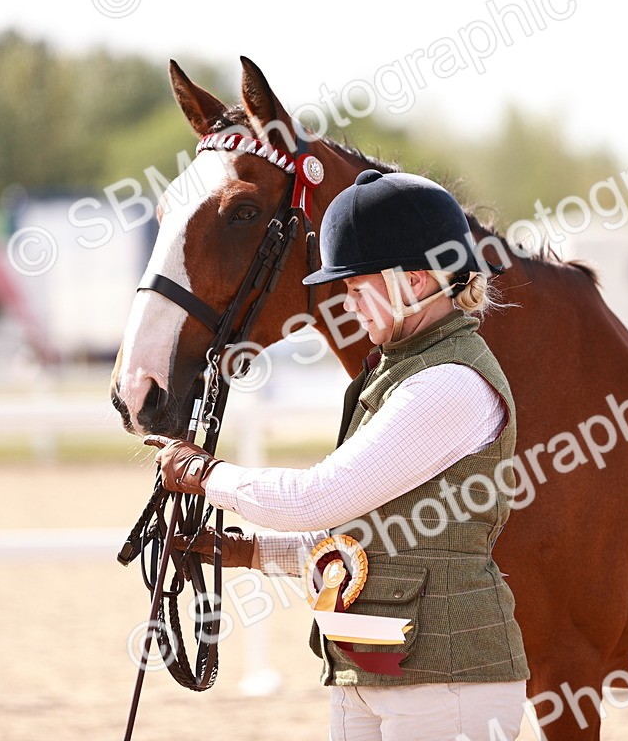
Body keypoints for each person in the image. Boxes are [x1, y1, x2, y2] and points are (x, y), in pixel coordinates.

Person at [146, 169, 529, 741]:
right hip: (374, 667)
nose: (347, 304)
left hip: (448, 677)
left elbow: (318, 499)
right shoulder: (400, 374)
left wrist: (204, 475)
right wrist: (245, 551)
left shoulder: (449, 382)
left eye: (357, 285)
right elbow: (367, 544)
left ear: (417, 281)